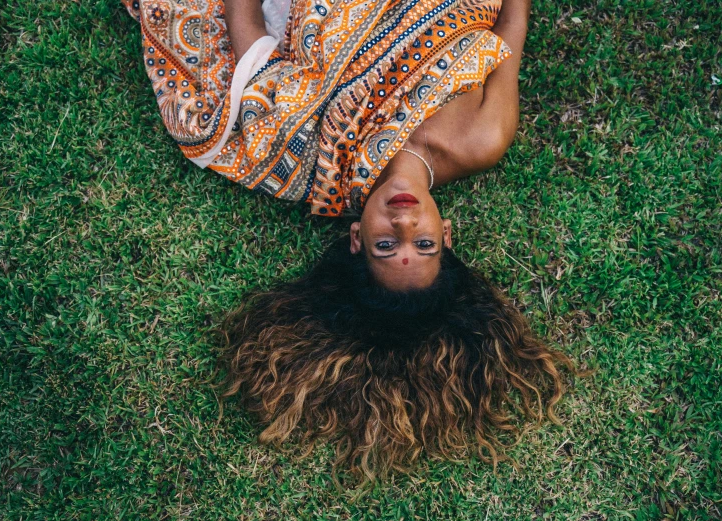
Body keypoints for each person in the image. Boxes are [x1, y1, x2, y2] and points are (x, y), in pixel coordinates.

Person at [125, 0, 578, 483]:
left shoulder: (310, 159)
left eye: (386, 246)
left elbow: (249, 36)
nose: (403, 224)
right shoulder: (482, 137)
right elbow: (510, 25)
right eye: (423, 245)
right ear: (446, 235)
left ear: (357, 239)